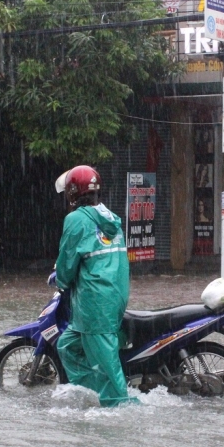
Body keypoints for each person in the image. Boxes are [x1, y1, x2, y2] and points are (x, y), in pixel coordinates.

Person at [53, 165, 137, 407]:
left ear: (72, 192)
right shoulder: (110, 216)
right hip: (115, 294)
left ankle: (119, 403)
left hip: (95, 301)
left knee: (108, 366)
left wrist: (61, 280)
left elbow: (68, 260)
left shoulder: (76, 219)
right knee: (67, 347)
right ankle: (99, 391)